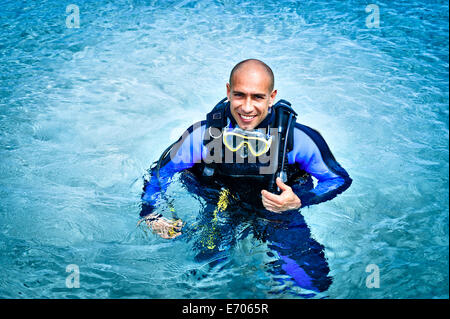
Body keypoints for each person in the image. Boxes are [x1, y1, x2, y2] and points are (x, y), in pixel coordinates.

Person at [138, 59, 352, 294]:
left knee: (313, 284)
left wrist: (300, 200)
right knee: (203, 280)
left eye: (258, 97)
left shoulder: (296, 139)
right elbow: (160, 173)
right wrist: (151, 214)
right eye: (239, 95)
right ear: (228, 92)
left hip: (276, 211)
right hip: (221, 205)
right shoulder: (204, 136)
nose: (247, 108)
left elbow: (338, 179)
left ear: (272, 97)